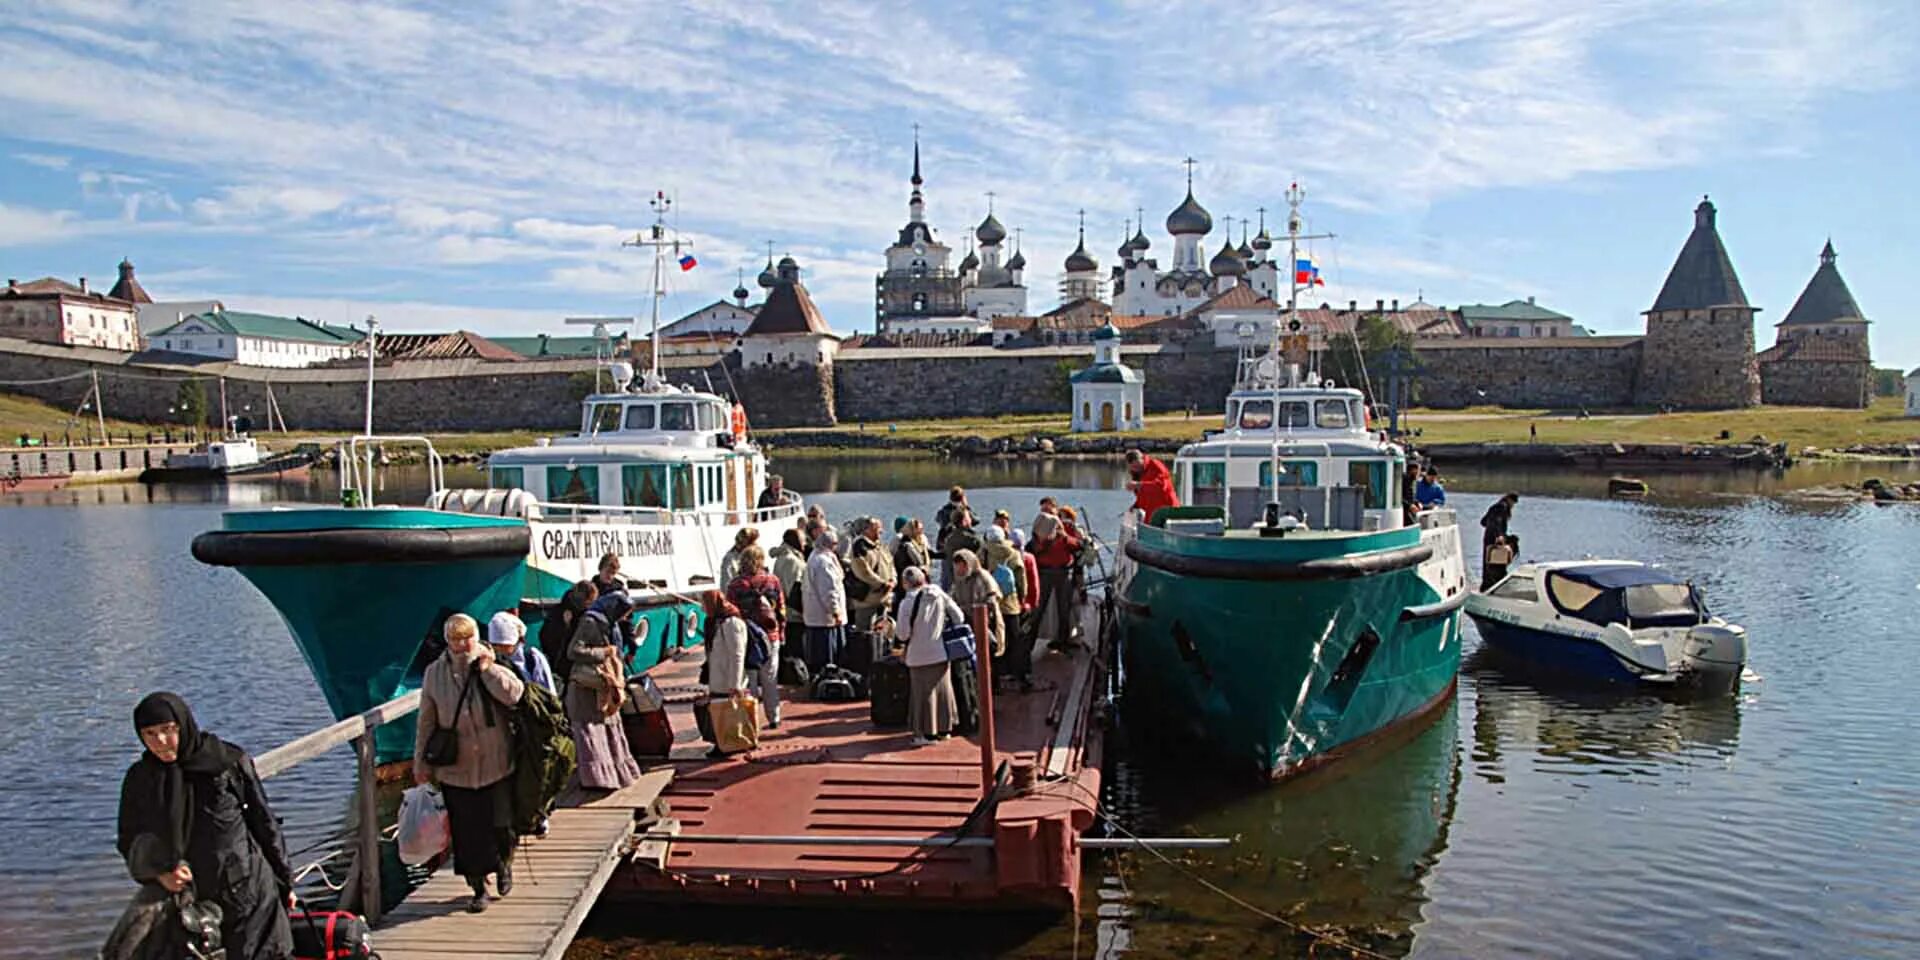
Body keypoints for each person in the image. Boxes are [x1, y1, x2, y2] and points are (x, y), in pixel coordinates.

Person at [118, 692, 295, 956]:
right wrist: (159, 874)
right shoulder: (142, 779)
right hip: (188, 898)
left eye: (168, 730)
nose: (161, 742)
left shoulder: (225, 764)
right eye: (150, 734)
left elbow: (263, 823)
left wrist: (286, 881)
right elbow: (129, 838)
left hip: (247, 889)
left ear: (183, 724)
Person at [414, 614, 526, 913]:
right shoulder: (434, 674)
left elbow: (514, 695)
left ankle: (504, 864)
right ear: (447, 641)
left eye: (467, 638)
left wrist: (489, 671)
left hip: (495, 760)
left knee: (502, 824)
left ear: (477, 637)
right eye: (455, 638)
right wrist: (420, 762)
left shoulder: (492, 662)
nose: (462, 645)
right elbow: (426, 720)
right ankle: (478, 888)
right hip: (457, 768)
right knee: (467, 834)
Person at [567, 593, 644, 793]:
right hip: (588, 688)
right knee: (591, 732)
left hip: (603, 686)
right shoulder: (590, 622)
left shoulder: (609, 623)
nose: (623, 618)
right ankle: (598, 780)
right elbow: (573, 651)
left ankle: (614, 776)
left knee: (607, 730)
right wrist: (604, 653)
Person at [895, 566, 962, 745]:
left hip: (917, 655)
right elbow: (959, 617)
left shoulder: (906, 602)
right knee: (943, 692)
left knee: (921, 694)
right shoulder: (939, 594)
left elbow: (902, 634)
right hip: (940, 652)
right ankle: (944, 729)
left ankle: (924, 734)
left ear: (906, 583)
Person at [726, 544, 785, 728]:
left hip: (747, 636)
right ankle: (773, 717)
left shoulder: (736, 585)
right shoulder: (773, 581)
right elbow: (781, 608)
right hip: (770, 635)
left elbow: (730, 612)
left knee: (749, 678)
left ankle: (751, 720)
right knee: (770, 678)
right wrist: (781, 632)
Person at [701, 591, 752, 757]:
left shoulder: (732, 623)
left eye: (705, 604)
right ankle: (722, 743)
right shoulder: (715, 622)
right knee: (719, 712)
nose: (702, 608)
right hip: (717, 676)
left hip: (727, 677)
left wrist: (735, 683)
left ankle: (735, 742)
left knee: (730, 712)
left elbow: (737, 654)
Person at [980, 526, 1031, 689]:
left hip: (992, 604)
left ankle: (995, 681)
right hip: (1011, 604)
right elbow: (1021, 578)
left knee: (995, 641)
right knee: (1016, 640)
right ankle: (1019, 676)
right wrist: (1022, 598)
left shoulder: (983, 553)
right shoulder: (1013, 553)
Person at [1029, 512, 1082, 653]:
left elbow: (1077, 545)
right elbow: (1079, 546)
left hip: (1051, 574)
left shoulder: (1036, 541)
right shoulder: (1061, 539)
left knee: (1044, 609)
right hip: (1059, 574)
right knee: (1058, 609)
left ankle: (1029, 643)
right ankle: (1060, 641)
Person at [948, 548, 1006, 664]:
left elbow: (993, 595)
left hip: (984, 621)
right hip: (965, 620)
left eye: (962, 566)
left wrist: (982, 608)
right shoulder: (958, 580)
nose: (959, 569)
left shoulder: (983, 577)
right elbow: (951, 597)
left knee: (989, 651)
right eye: (957, 566)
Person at [538, 580, 597, 692]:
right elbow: (547, 638)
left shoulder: (561, 610)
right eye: (590, 602)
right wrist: (565, 628)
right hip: (565, 665)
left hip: (569, 664)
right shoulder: (565, 615)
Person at [803, 527, 848, 673]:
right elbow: (829, 590)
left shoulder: (814, 557)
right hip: (825, 619)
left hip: (816, 616)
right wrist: (836, 612)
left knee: (817, 653)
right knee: (828, 655)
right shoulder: (823, 562)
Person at [848, 516, 896, 630]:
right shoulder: (859, 547)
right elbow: (863, 572)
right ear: (867, 529)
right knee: (865, 634)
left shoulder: (881, 546)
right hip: (867, 601)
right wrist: (883, 584)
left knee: (883, 633)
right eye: (877, 528)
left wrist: (893, 580)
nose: (881, 531)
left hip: (884, 599)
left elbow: (890, 565)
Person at [489, 611, 554, 694]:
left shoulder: (533, 658)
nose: (499, 649)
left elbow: (548, 693)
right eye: (495, 645)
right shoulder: (489, 660)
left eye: (504, 645)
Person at [770, 528, 808, 650]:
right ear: (796, 541)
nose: (805, 544)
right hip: (793, 616)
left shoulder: (783, 558)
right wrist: (803, 612)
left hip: (787, 613)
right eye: (803, 540)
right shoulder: (792, 561)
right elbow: (793, 590)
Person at [1124, 449, 1180, 522]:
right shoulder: (1138, 473)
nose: (1136, 469)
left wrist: (1138, 485)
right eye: (1133, 467)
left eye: (1137, 466)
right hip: (1151, 516)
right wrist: (1134, 507)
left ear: (1142, 459)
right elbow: (1143, 497)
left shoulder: (1156, 465)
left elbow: (1161, 487)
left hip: (1167, 514)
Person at [939, 508, 984, 590]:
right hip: (970, 584)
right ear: (964, 521)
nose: (971, 519)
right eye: (969, 517)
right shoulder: (972, 539)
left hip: (953, 582)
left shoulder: (949, 539)